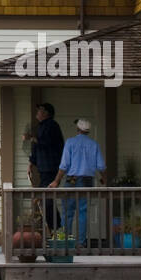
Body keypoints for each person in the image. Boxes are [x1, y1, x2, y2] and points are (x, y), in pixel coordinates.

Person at [49, 119, 106, 247]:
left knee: (67, 211)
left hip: (72, 180)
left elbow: (64, 165)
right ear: (88, 131)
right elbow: (101, 166)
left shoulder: (70, 142)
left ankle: (65, 241)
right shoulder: (94, 144)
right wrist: (104, 179)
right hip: (87, 181)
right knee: (83, 212)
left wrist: (56, 181)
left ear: (77, 129)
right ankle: (81, 242)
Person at [29, 103, 64, 231]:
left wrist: (35, 139)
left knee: (46, 198)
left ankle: (55, 227)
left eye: (40, 110)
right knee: (45, 199)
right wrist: (31, 163)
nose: (37, 112)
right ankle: (54, 226)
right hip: (43, 167)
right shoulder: (40, 127)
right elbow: (36, 148)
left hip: (51, 167)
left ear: (47, 113)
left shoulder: (52, 126)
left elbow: (50, 143)